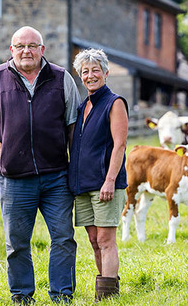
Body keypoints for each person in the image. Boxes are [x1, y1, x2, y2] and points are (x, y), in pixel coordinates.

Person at [0, 26, 81, 304]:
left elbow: (72, 126)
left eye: (32, 46)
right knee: (17, 242)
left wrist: (75, 166)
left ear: (42, 49)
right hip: (15, 178)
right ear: (11, 50)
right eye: (20, 46)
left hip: (56, 176)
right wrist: (2, 151)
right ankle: (21, 294)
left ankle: (61, 294)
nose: (26, 51)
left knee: (64, 237)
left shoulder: (61, 78)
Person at [68, 48, 129, 301]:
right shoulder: (84, 105)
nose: (90, 75)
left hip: (106, 183)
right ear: (80, 76)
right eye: (85, 71)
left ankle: (107, 297)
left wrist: (110, 181)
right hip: (83, 185)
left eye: (95, 70)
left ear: (106, 72)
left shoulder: (114, 103)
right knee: (93, 240)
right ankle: (108, 285)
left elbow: (120, 145)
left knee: (105, 239)